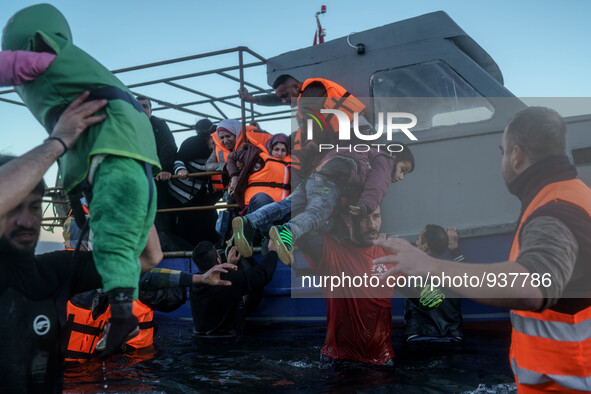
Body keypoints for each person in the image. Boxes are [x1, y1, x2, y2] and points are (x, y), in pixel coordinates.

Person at [374, 107, 591, 392]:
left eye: (501, 153)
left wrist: (427, 265)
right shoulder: (576, 196)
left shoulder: (555, 211)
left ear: (516, 155)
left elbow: (533, 285)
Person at [1, 4, 162, 356]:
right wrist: (58, 141)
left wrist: (126, 170)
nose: (29, 220)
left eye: (35, 206)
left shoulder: (54, 272)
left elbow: (149, 257)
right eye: (14, 206)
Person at [232, 145, 414, 265]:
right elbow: (377, 184)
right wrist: (366, 206)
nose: (400, 177)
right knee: (318, 213)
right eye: (402, 170)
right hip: (330, 182)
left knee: (286, 204)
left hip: (315, 177)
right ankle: (287, 232)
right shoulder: (386, 159)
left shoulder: (363, 152)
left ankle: (249, 222)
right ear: (395, 157)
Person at [295, 206, 397, 365]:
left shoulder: (390, 254)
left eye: (376, 217)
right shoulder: (328, 249)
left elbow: (422, 294)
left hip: (382, 362)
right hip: (339, 362)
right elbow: (300, 224)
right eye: (364, 217)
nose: (372, 225)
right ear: (348, 220)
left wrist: (431, 296)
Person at [190, 241, 279, 335]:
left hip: (203, 342)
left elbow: (217, 293)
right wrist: (272, 251)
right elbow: (261, 274)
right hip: (229, 343)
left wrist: (229, 265)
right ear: (218, 261)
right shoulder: (229, 280)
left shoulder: (194, 285)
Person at [404, 226, 464, 342]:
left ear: (425, 245)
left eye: (418, 240)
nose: (415, 243)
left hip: (418, 337)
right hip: (452, 337)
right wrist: (454, 249)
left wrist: (379, 250)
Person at [168, 118, 220, 246]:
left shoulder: (221, 151)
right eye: (213, 141)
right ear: (208, 136)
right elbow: (178, 159)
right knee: (189, 221)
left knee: (210, 216)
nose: (215, 145)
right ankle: (190, 251)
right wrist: (181, 170)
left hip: (201, 192)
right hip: (181, 191)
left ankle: (211, 248)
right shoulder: (192, 144)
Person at [136, 95, 180, 234]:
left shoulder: (159, 125)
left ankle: (165, 249)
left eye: (145, 106)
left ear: (150, 110)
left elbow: (168, 146)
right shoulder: (126, 127)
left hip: (157, 178)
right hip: (136, 179)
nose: (142, 109)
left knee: (161, 216)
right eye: (138, 106)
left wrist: (165, 169)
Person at [227, 133, 292, 211]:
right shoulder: (257, 157)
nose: (279, 154)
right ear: (271, 148)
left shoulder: (290, 165)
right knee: (263, 199)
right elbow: (231, 157)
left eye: (283, 150)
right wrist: (234, 178)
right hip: (259, 203)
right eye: (276, 149)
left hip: (280, 208)